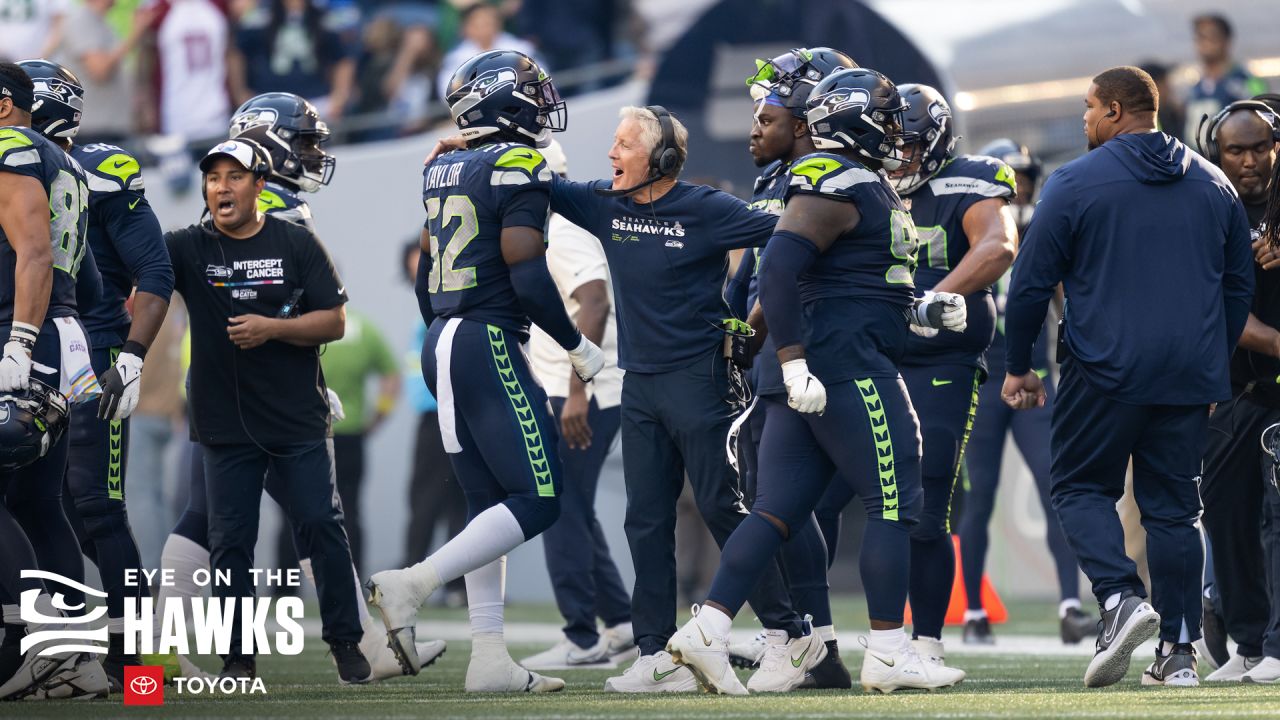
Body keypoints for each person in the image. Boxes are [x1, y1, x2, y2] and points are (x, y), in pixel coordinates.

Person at [420, 77, 820, 696]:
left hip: (704, 380)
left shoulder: (707, 208)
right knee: (645, 520)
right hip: (639, 386)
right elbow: (527, 181)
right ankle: (655, 652)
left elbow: (793, 238)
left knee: (721, 506)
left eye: (623, 144)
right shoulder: (603, 202)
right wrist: (471, 144)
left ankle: (785, 637)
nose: (610, 154)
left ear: (659, 158)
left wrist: (768, 325)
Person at [666, 67, 968, 696]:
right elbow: (777, 270)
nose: (896, 131)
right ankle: (887, 653)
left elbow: (859, 281)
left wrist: (923, 307)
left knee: (777, 509)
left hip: (830, 359)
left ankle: (709, 628)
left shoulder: (858, 182)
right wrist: (796, 359)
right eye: (886, 119)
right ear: (858, 122)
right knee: (895, 500)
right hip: (844, 366)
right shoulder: (840, 179)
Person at [155, 92, 444, 683]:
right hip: (233, 387)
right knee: (222, 520)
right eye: (304, 141)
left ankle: (357, 640)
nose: (313, 154)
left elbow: (313, 311)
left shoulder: (275, 213)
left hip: (268, 390)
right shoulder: (261, 209)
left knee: (306, 516)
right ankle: (165, 652)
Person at [1002, 65, 1254, 688]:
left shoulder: (1075, 181)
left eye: (1089, 108)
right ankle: (1179, 653)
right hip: (1188, 375)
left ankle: (1119, 599)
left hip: (1103, 370)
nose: (1085, 119)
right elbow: (1238, 284)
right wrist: (1211, 364)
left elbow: (1030, 284)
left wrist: (1019, 367)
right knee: (1173, 512)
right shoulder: (1215, 182)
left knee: (1080, 487)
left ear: (1115, 111)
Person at [367, 49, 605, 694]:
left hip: (443, 335)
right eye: (530, 89)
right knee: (540, 497)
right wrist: (578, 347)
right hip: (486, 337)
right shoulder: (516, 161)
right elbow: (527, 271)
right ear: (507, 99)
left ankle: (490, 658)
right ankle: (412, 583)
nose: (542, 99)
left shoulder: (443, 163)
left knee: (486, 506)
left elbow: (425, 268)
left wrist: (444, 328)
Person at [163, 138, 369, 683]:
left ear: (260, 184)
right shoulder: (187, 247)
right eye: (213, 179)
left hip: (296, 416)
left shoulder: (297, 242)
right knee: (231, 541)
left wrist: (271, 328)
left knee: (321, 523)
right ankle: (237, 655)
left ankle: (347, 641)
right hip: (223, 422)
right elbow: (137, 270)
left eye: (234, 177)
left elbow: (334, 322)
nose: (221, 187)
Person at [19, 59, 176, 689]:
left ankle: (134, 661)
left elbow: (155, 273)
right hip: (36, 353)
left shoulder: (99, 171)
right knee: (36, 504)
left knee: (97, 509)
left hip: (94, 357)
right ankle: (53, 647)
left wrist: (132, 357)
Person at [721, 46, 856, 688]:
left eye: (769, 113)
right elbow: (753, 273)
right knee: (787, 509)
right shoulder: (778, 178)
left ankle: (805, 638)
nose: (755, 125)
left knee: (778, 505)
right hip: (777, 359)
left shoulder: (830, 177)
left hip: (804, 357)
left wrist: (746, 338)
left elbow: (785, 278)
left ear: (805, 118)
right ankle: (816, 642)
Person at [880, 84, 1016, 667]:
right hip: (869, 356)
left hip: (941, 359)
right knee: (815, 492)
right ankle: (809, 634)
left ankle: (926, 643)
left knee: (929, 498)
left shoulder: (971, 180)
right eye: (890, 144)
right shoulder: (859, 178)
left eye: (907, 146)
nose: (897, 156)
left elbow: (999, 244)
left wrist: (933, 298)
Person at [958, 138, 1096, 646]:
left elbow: (1070, 305)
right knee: (980, 497)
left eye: (1024, 178)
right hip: (981, 378)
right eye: (1008, 179)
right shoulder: (967, 225)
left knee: (1056, 488)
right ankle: (973, 611)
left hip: (1035, 379)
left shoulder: (1044, 230)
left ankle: (1068, 606)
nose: (1018, 189)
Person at [0, 60, 99, 701]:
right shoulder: (63, 160)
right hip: (60, 333)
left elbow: (34, 252)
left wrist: (18, 341)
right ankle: (75, 657)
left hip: (24, 334)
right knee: (39, 503)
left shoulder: (8, 149)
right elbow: (83, 281)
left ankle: (35, 639)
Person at [520, 140, 635, 671]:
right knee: (575, 509)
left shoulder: (562, 231)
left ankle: (582, 635)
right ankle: (621, 621)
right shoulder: (548, 227)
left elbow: (595, 301)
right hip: (576, 388)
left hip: (587, 393)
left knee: (559, 506)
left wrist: (576, 389)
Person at [1193, 100, 1280, 683]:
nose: (1248, 162)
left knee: (1277, 516)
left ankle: (1276, 644)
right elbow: (1210, 305)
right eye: (1234, 151)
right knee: (1226, 516)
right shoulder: (1204, 210)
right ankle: (1249, 643)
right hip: (1233, 389)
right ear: (1215, 152)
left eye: (1258, 149)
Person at [398, 240, 466, 606]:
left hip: (450, 413)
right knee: (426, 499)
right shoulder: (430, 309)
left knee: (455, 499)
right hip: (431, 416)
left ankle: (452, 584)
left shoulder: (445, 308)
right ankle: (414, 575)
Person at [311, 305, 400, 572]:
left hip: (307, 434)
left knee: (297, 508)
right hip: (350, 434)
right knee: (349, 508)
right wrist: (379, 415)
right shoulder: (363, 329)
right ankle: (350, 577)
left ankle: (284, 587)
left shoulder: (300, 326)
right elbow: (391, 375)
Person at [229, 0, 356, 120]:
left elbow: (343, 59)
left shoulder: (324, 19)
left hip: (316, 101)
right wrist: (241, 94)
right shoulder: (260, 18)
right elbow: (236, 54)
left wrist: (338, 98)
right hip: (266, 102)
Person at [1184, 14, 1269, 142]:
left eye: (1210, 36)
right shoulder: (1195, 87)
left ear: (1226, 41)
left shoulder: (1247, 80)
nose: (1203, 43)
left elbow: (1268, 114)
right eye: (1199, 37)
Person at [436, 3, 538, 101]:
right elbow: (448, 93)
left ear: (498, 23)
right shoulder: (456, 58)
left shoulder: (520, 48)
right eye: (478, 24)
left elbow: (540, 76)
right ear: (466, 28)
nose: (484, 28)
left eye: (488, 22)